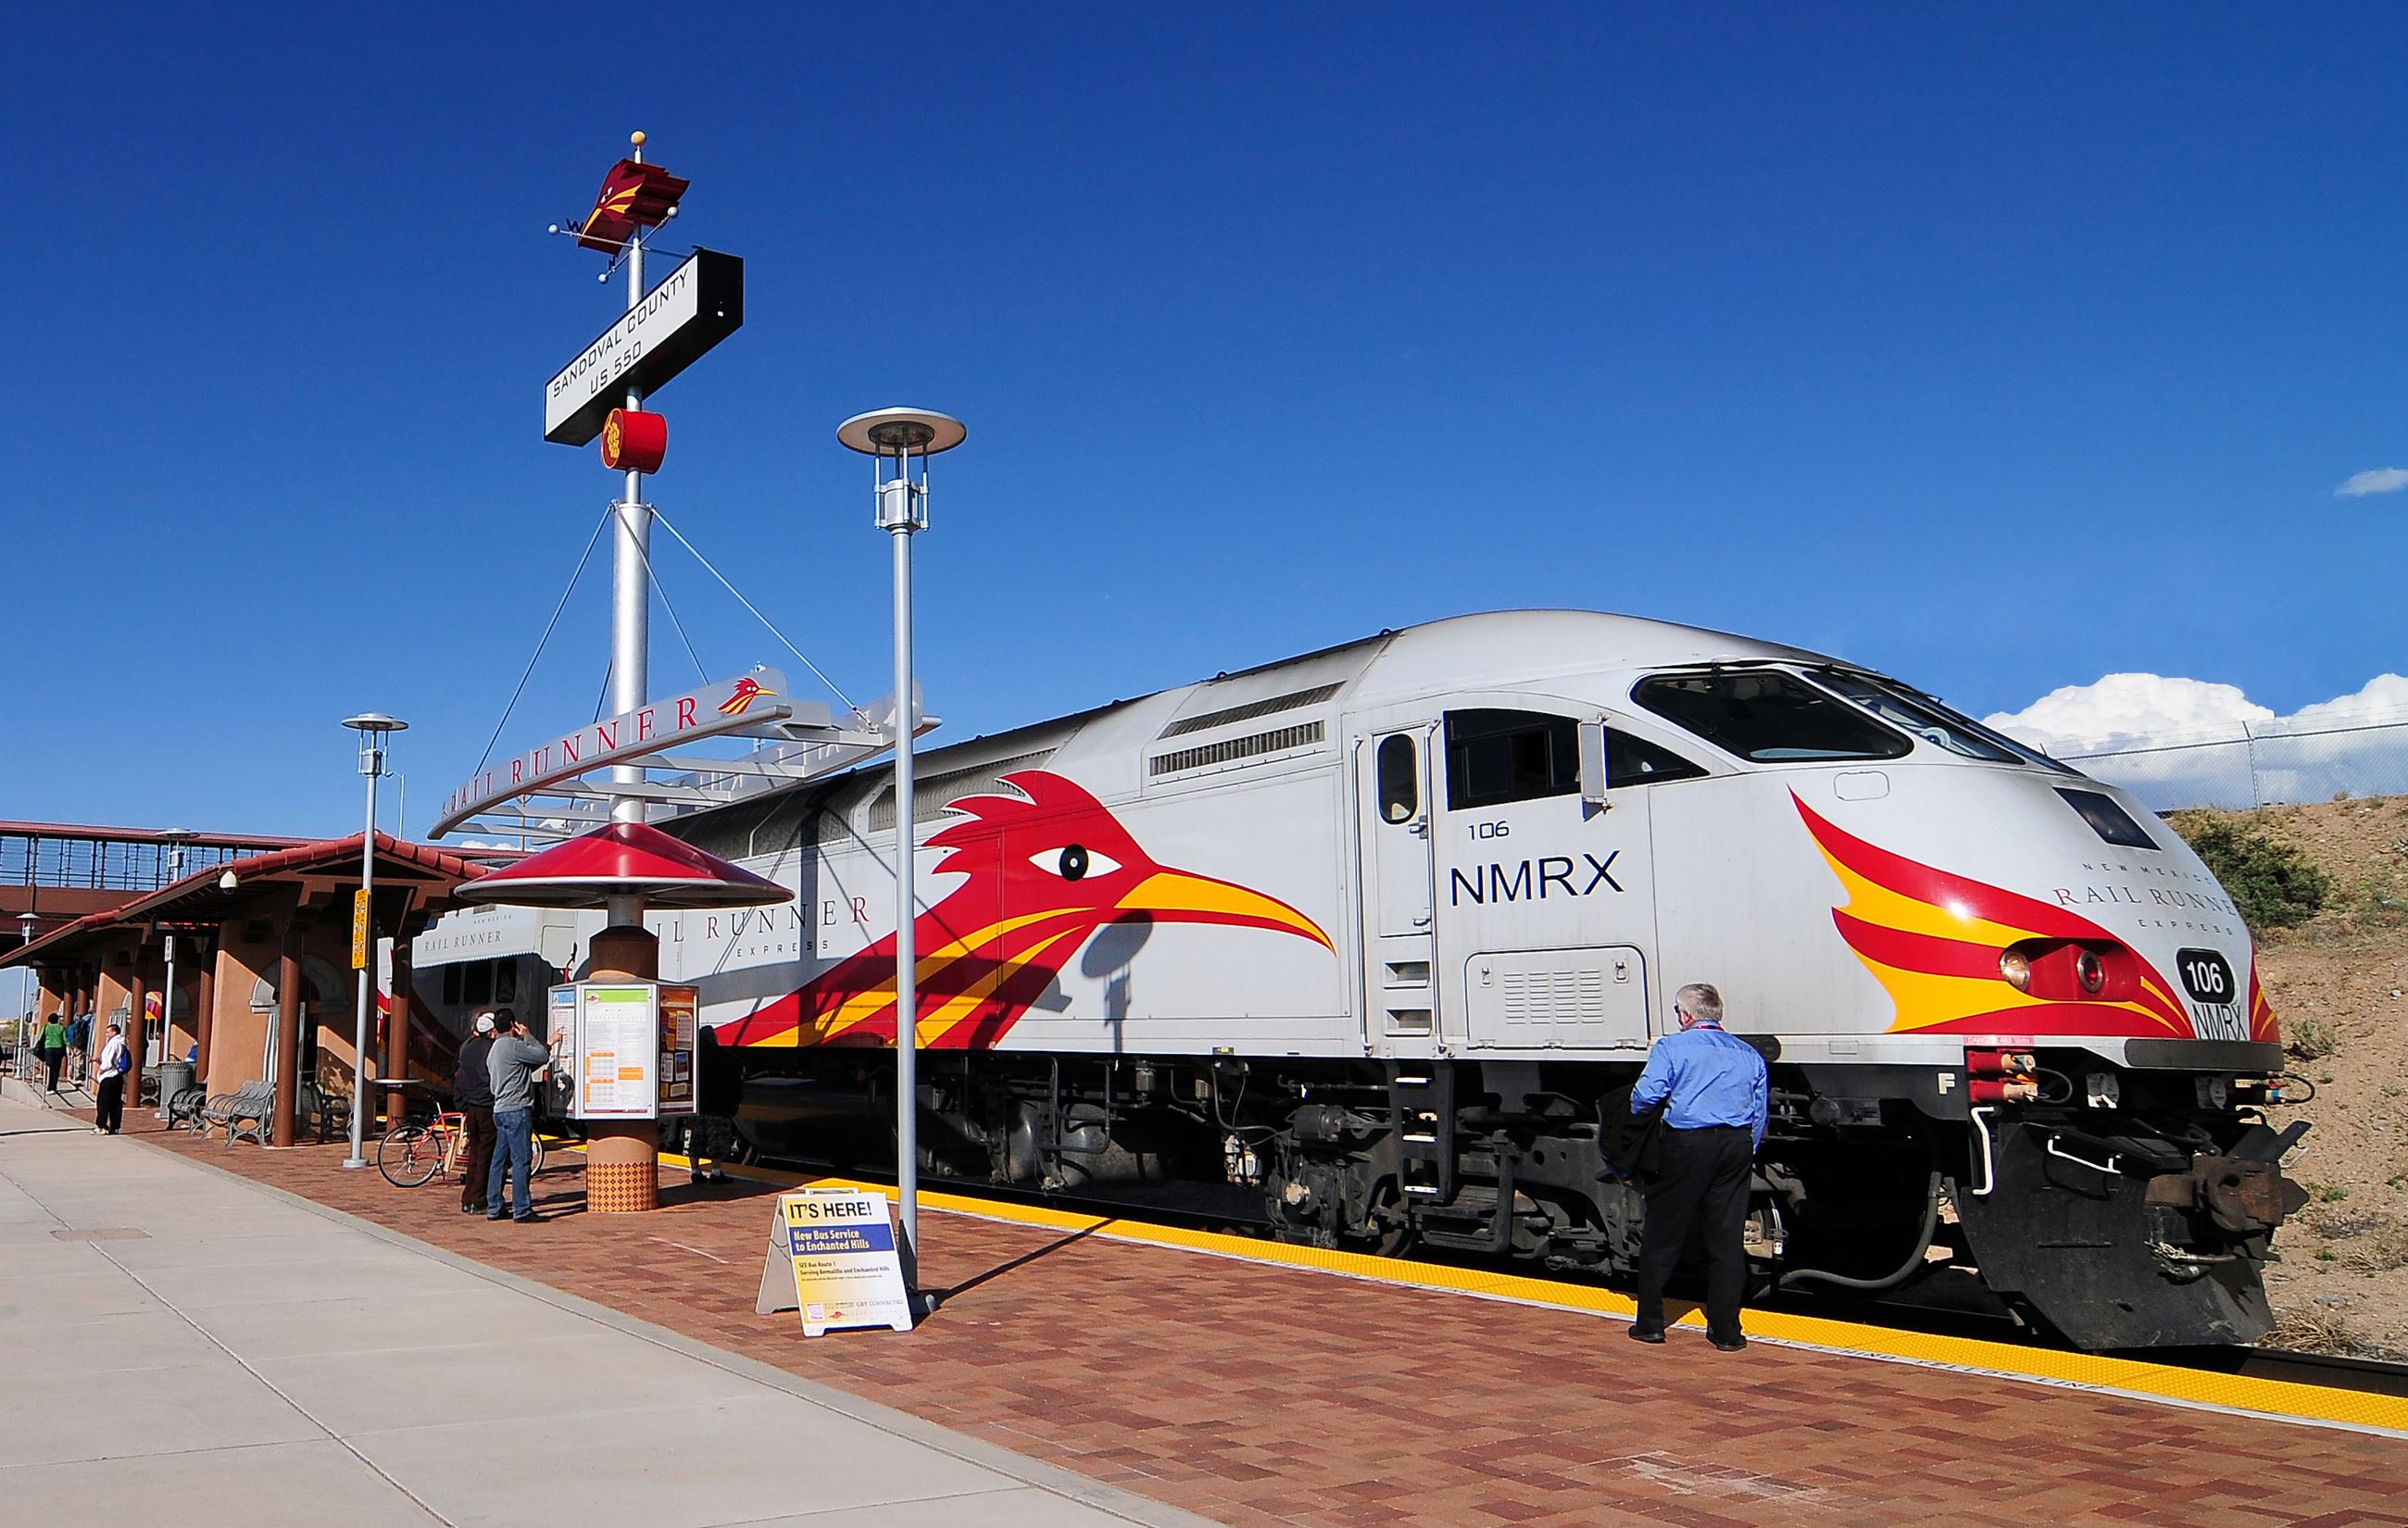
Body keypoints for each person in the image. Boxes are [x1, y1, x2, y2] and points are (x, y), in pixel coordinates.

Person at [1626, 982, 1769, 1352]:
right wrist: (1744, 1147)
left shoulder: (1672, 1047)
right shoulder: (1747, 1053)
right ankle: (1726, 1332)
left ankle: (1651, 1325)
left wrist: (1639, 1113)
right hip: (1735, 1145)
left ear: (1686, 1015)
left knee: (1663, 1232)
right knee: (1725, 1239)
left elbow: (1646, 1095)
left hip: (1687, 1144)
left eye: (1677, 1012)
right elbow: (1759, 1113)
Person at [484, 1009, 548, 1223]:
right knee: (522, 1160)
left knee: (499, 1160)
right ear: (513, 1024)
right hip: (517, 1110)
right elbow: (541, 1055)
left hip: (500, 1109)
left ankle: (494, 1206)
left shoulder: (494, 1050)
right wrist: (528, 1035)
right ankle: (522, 1209)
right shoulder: (513, 1046)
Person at [454, 1011, 500, 1217]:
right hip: (487, 1107)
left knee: (474, 1154)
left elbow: (460, 1077)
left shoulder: (468, 1047)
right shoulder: (493, 1050)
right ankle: (479, 1199)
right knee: (485, 1156)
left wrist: (461, 1104)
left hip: (470, 1107)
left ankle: (467, 1198)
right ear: (491, 1031)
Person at [93, 1021, 131, 1134]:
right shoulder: (122, 1044)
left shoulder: (113, 1044)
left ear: (114, 1032)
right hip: (117, 1076)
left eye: (108, 1032)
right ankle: (115, 1126)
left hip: (109, 1076)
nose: (106, 1034)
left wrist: (102, 1068)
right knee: (115, 1103)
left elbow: (109, 1060)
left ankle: (101, 1126)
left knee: (103, 1102)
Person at [37, 1011, 68, 1092]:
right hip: (59, 1049)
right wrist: (70, 1048)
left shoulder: (46, 1027)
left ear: (49, 1020)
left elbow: (40, 1038)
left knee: (50, 1068)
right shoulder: (61, 1028)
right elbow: (65, 1040)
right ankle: (53, 1086)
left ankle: (49, 1086)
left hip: (49, 1049)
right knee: (56, 1069)